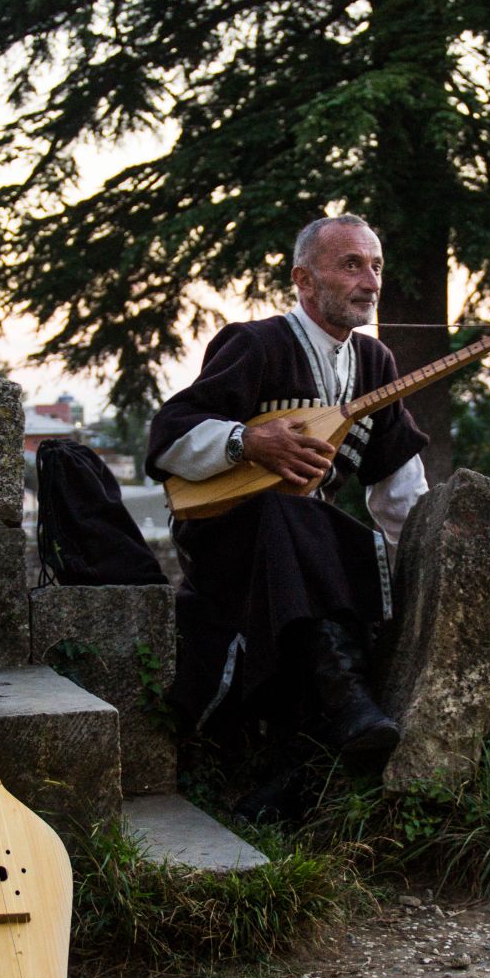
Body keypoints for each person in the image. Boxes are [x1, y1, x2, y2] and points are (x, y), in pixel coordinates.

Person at [145, 214, 429, 819]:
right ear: (303, 279)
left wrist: (433, 568)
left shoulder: (376, 363)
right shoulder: (255, 343)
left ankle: (290, 771)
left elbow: (399, 494)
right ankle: (344, 697)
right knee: (283, 510)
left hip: (304, 554)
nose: (370, 281)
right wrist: (246, 445)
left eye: (376, 266)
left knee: (344, 539)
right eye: (351, 264)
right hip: (227, 539)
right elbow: (168, 439)